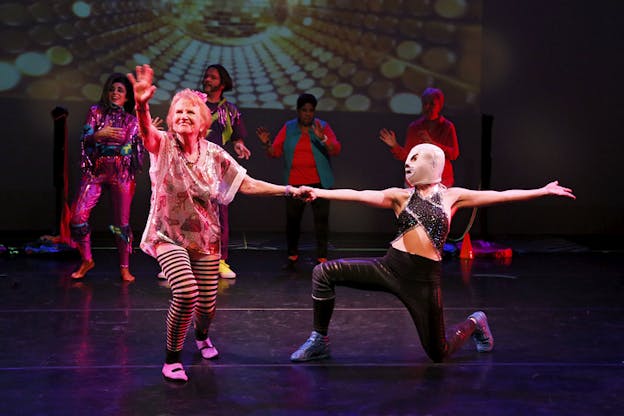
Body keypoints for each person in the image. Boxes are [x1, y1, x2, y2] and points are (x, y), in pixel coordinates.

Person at [290, 143, 575, 363]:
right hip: (390, 267)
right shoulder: (401, 196)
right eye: (407, 158)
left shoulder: (452, 196)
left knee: (439, 353)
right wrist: (320, 194)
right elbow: (360, 194)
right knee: (323, 272)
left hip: (423, 282)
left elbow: (499, 195)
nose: (407, 163)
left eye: (415, 158)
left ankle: (475, 322)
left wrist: (542, 191)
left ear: (432, 162)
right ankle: (319, 341)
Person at [128, 64, 307, 383]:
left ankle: (202, 336)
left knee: (207, 305)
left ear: (202, 122)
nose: (183, 116)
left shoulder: (214, 154)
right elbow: (146, 133)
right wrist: (141, 105)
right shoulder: (164, 145)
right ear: (170, 119)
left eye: (190, 113)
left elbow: (247, 184)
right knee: (185, 292)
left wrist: (288, 190)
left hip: (206, 239)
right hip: (167, 234)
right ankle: (172, 358)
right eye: (177, 112)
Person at [69, 73, 145, 282]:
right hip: (96, 171)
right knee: (77, 217)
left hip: (121, 174)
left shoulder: (131, 120)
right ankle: (86, 259)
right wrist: (97, 136)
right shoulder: (95, 112)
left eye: (120, 90)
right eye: (112, 89)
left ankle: (124, 267)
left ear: (127, 97)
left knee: (122, 224)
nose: (115, 93)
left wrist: (141, 137)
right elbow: (85, 139)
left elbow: (133, 149)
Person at [256, 93, 342, 269]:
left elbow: (335, 149)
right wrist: (266, 144)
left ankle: (322, 258)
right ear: (298, 111)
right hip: (295, 183)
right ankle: (292, 256)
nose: (308, 114)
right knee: (293, 222)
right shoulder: (289, 127)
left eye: (311, 110)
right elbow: (275, 153)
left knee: (321, 222)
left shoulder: (322, 126)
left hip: (320, 183)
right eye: (304, 110)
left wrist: (322, 138)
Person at [380, 87, 459, 187]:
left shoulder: (447, 126)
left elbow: (454, 154)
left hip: (440, 182)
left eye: (432, 104)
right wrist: (394, 145)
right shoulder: (415, 127)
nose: (427, 107)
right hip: (416, 181)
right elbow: (408, 157)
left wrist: (432, 143)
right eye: (425, 103)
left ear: (440, 105)